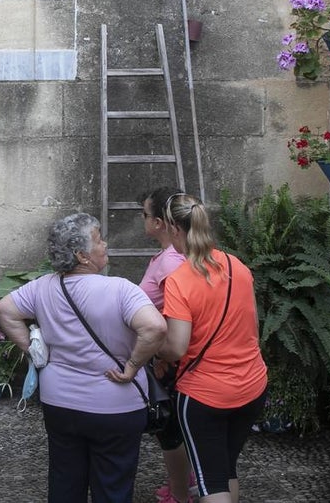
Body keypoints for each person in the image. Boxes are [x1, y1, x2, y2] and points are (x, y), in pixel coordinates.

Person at [0, 212, 166, 503]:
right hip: (116, 406)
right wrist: (132, 366)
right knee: (113, 488)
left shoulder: (42, 286)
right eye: (99, 240)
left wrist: (37, 354)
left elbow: (4, 310)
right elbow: (155, 327)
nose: (105, 244)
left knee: (65, 484)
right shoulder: (121, 289)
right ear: (82, 255)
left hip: (60, 403)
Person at [157, 193, 268, 503]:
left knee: (211, 481)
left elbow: (177, 347)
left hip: (205, 396)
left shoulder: (179, 280)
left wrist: (156, 352)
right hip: (252, 388)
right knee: (224, 468)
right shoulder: (238, 267)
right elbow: (254, 330)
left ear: (174, 229)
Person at [138, 187, 195, 503]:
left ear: (160, 222)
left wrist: (163, 356)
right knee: (172, 429)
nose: (142, 219)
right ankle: (182, 481)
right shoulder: (167, 257)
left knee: (170, 431)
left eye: (146, 214)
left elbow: (179, 315)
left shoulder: (172, 262)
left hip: (169, 358)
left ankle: (180, 494)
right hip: (163, 354)